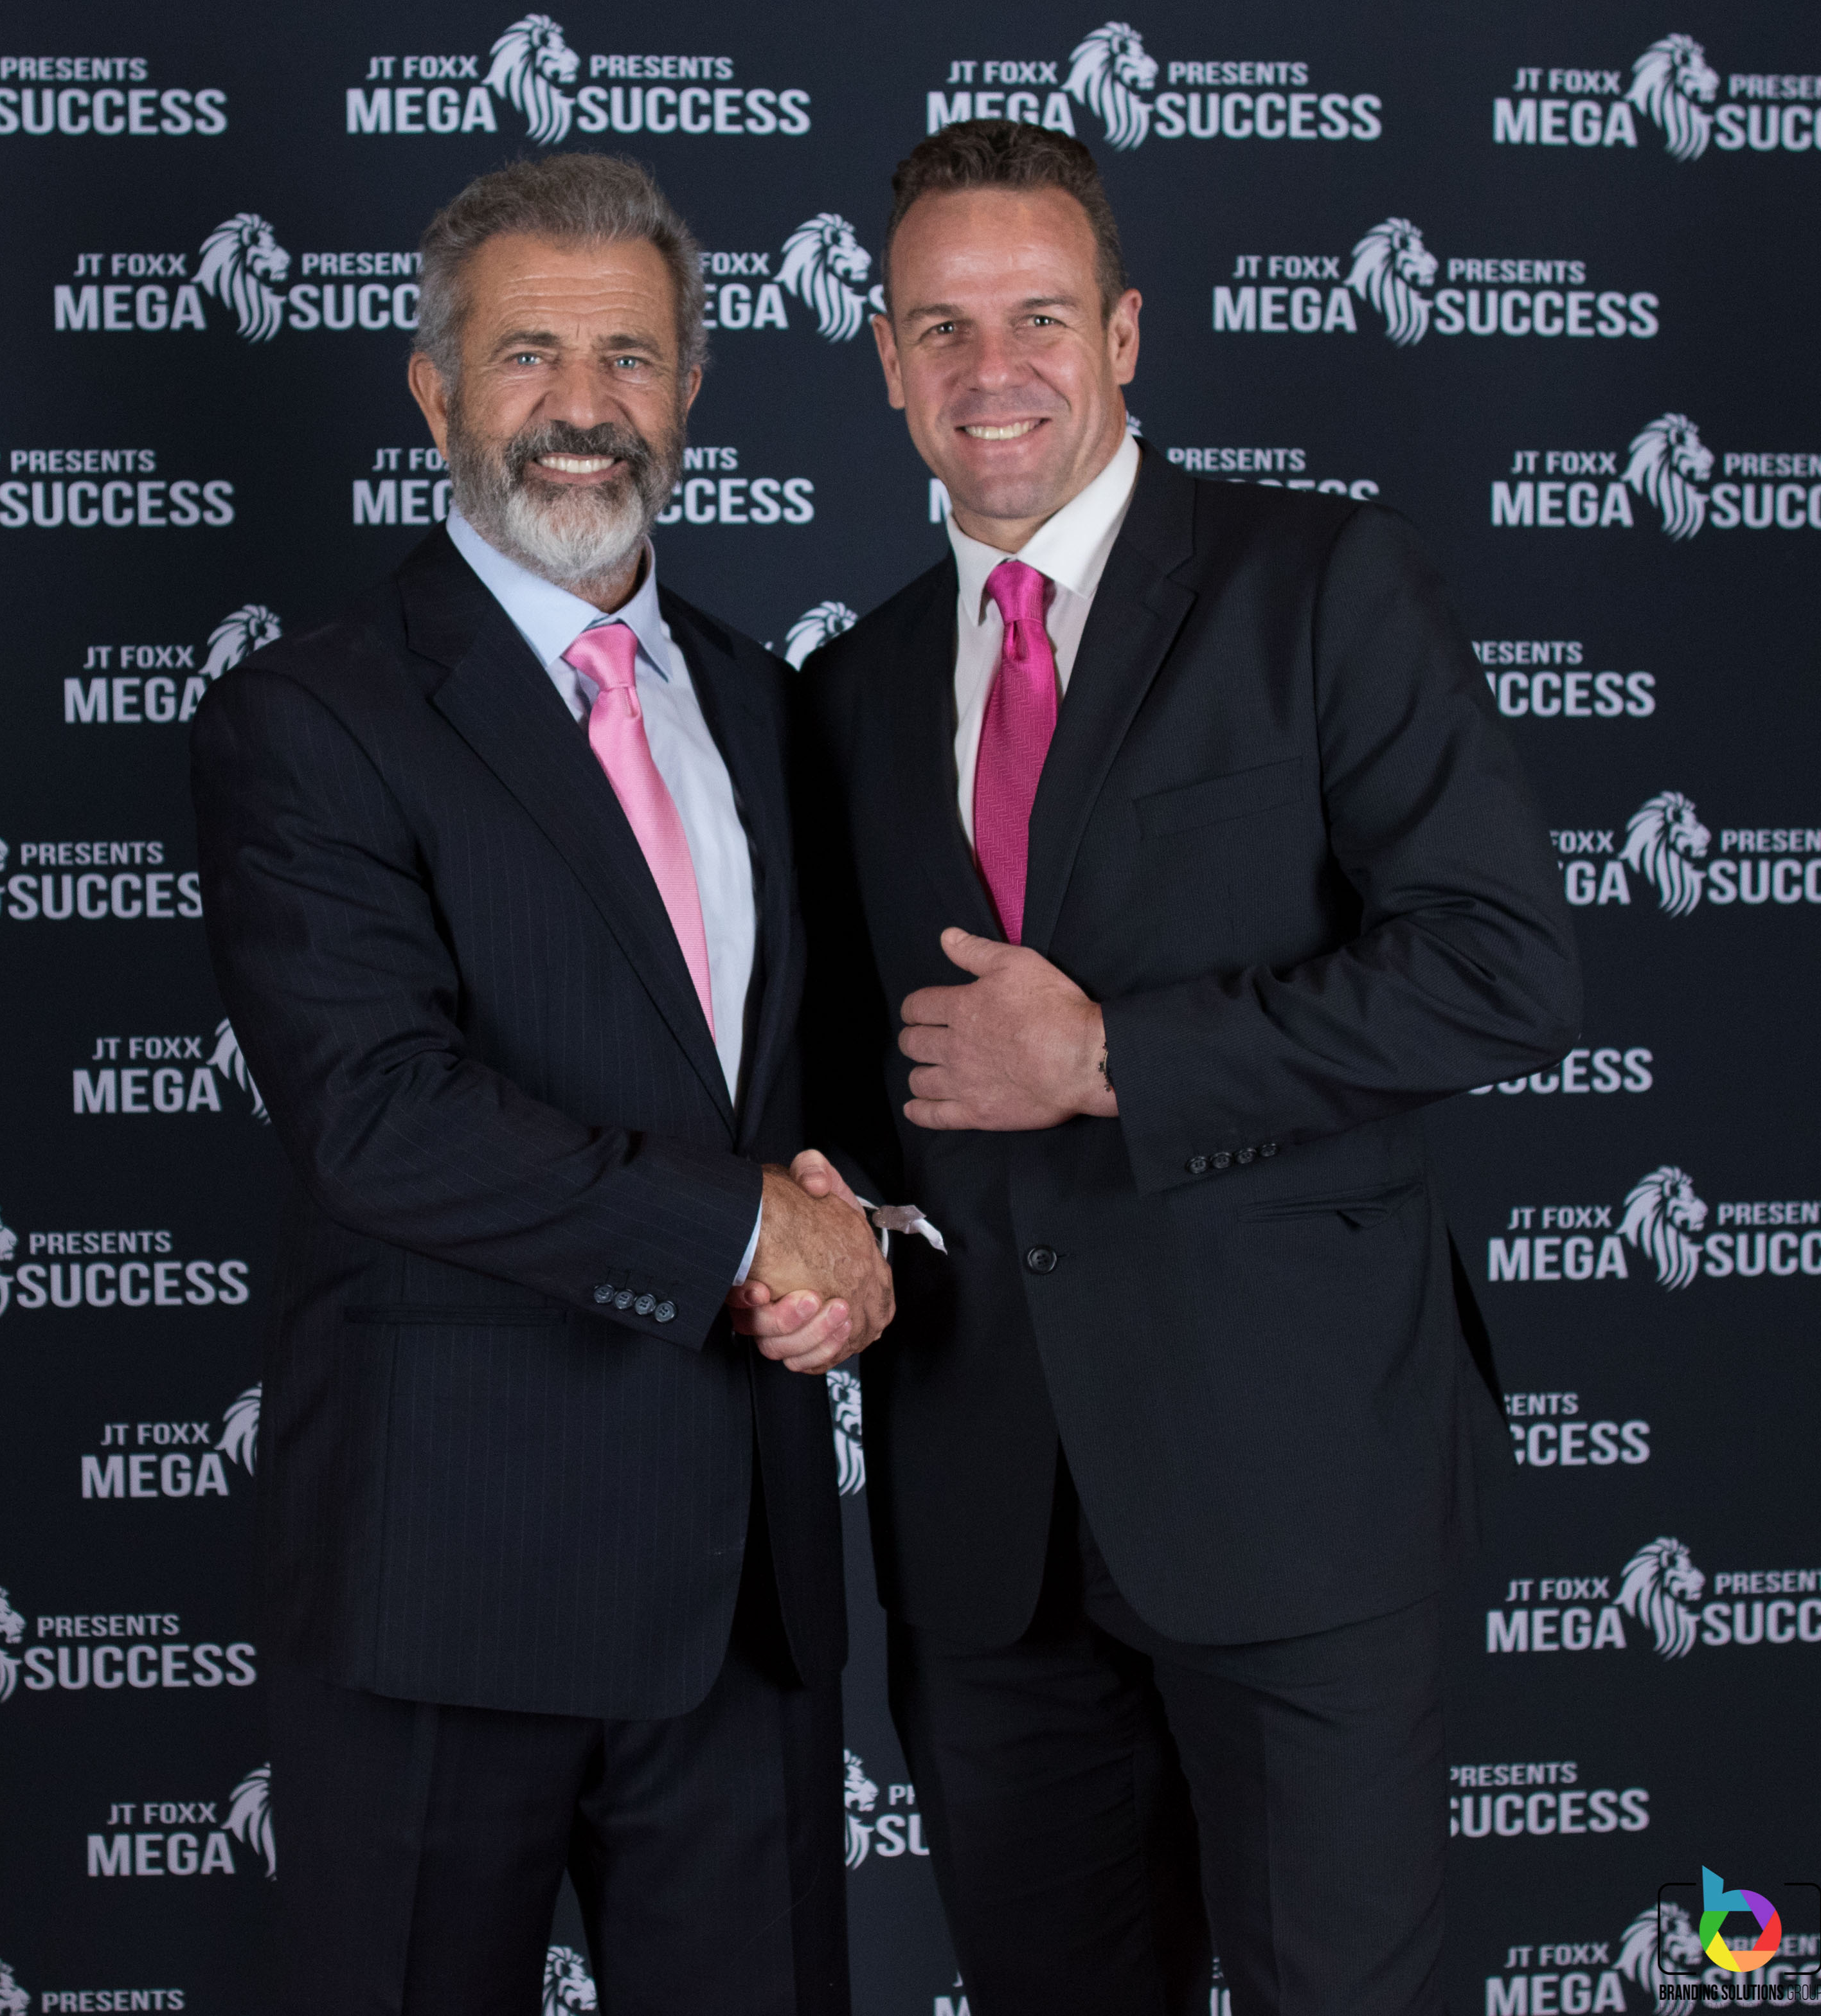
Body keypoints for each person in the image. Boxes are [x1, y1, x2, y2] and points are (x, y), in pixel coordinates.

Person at [761, 121, 1582, 2016]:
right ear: (884, 360)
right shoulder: (849, 690)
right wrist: (818, 1214)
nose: (994, 371)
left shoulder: (1320, 584)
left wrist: (1116, 1056)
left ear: (1125, 333)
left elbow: (1504, 972)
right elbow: (853, 1084)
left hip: (1292, 1492)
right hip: (989, 1535)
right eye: (942, 328)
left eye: (1040, 318)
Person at [190, 153, 886, 2016]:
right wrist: (747, 1225)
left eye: (629, 357)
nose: (583, 406)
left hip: (740, 1598)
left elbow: (804, 1099)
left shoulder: (765, 702)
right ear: (434, 393)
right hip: (448, 1584)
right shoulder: (312, 716)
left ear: (690, 388)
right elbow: (381, 1118)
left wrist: (857, 1240)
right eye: (528, 356)